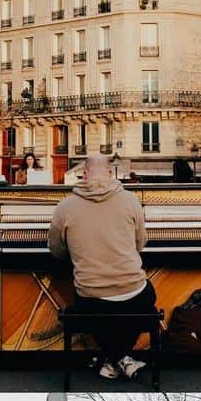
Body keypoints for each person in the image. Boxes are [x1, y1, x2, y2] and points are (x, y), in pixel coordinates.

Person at [48, 152, 158, 382]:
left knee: (83, 294)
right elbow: (140, 244)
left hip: (90, 299)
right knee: (147, 294)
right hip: (134, 295)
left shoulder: (65, 206)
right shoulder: (130, 200)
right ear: (110, 173)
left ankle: (110, 358)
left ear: (83, 174)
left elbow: (56, 251)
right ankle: (122, 357)